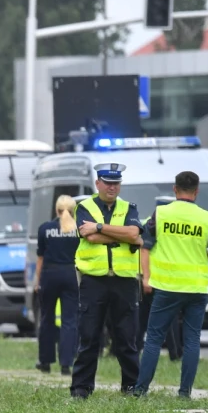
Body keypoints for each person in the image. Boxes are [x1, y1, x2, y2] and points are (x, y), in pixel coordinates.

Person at [134, 171, 208, 398]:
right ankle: (184, 393)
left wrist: (146, 277)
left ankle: (141, 390)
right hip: (196, 288)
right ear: (197, 190)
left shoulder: (161, 214)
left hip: (166, 286)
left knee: (154, 338)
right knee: (192, 339)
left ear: (175, 189)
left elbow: (145, 244)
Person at [70, 162, 142, 399]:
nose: (112, 187)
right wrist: (121, 235)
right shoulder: (84, 206)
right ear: (97, 183)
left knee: (126, 337)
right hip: (94, 280)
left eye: (116, 183)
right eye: (108, 183)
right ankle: (81, 388)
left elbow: (134, 234)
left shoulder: (129, 207)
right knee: (89, 336)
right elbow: (86, 234)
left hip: (124, 281)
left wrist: (100, 228)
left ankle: (131, 386)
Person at [34, 194, 80, 374]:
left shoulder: (45, 229)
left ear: (56, 209)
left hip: (49, 275)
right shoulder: (78, 230)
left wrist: (38, 282)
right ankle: (66, 364)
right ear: (74, 210)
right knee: (69, 320)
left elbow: (40, 258)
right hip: (70, 274)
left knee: (47, 318)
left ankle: (45, 362)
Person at [136, 195, 183, 362]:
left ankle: (139, 349)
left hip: (157, 278)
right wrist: (146, 278)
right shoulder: (154, 224)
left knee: (146, 318)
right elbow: (144, 250)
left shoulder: (152, 223)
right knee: (167, 319)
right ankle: (174, 353)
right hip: (156, 279)